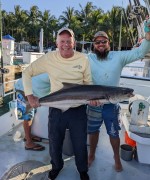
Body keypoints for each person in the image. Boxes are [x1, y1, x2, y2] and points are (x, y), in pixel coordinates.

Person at [22, 27, 92, 180]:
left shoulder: (83, 59)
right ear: (56, 43)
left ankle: (82, 170)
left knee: (80, 144)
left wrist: (93, 99)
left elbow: (88, 83)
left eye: (69, 41)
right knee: (54, 142)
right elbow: (27, 72)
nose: (65, 44)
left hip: (78, 109)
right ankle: (56, 167)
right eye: (62, 41)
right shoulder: (49, 58)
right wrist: (30, 96)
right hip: (56, 108)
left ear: (74, 42)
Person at [87, 21, 150, 172]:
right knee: (93, 131)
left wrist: (147, 38)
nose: (101, 44)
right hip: (93, 103)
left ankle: (116, 157)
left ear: (109, 43)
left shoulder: (118, 57)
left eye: (104, 41)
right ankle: (91, 154)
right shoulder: (87, 58)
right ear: (94, 45)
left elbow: (139, 53)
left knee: (114, 132)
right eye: (98, 42)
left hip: (111, 104)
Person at [15, 73, 50, 151]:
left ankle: (28, 136)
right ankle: (28, 143)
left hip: (33, 91)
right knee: (27, 116)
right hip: (23, 89)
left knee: (30, 115)